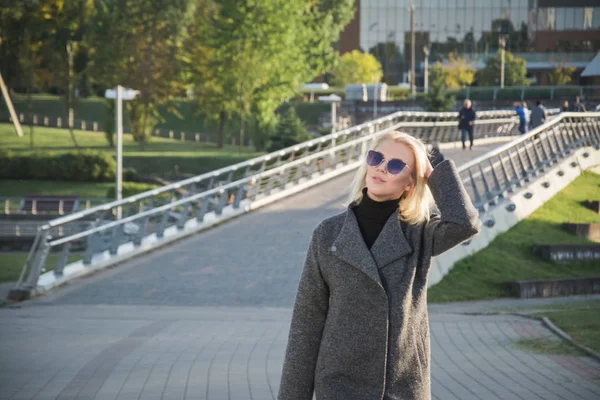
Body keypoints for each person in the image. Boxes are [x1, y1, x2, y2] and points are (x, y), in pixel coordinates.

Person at [278, 131, 481, 400]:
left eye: (396, 165)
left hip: (401, 386)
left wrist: (432, 174)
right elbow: (307, 322)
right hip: (339, 385)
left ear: (410, 183)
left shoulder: (419, 233)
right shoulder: (328, 234)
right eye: (376, 158)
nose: (381, 168)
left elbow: (464, 224)